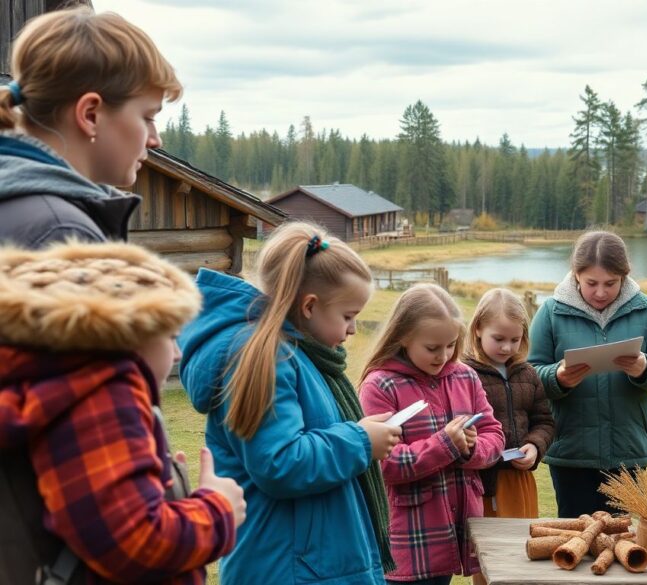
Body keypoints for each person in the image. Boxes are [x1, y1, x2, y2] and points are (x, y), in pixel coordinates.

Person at [0, 240, 243, 584]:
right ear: (127, 335)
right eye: (170, 336)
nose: (176, 354)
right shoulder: (101, 393)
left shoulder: (66, 388)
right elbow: (136, 541)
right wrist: (219, 510)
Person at [178, 222, 402, 585]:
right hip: (289, 568)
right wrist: (360, 440)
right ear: (310, 306)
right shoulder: (266, 360)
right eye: (348, 316)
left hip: (307, 565)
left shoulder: (299, 357)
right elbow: (279, 462)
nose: (352, 331)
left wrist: (360, 433)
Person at [527, 230, 647, 518]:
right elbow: (528, 377)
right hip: (571, 454)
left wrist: (645, 368)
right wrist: (557, 377)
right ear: (575, 275)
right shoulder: (550, 312)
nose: (601, 292)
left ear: (625, 275)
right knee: (575, 544)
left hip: (629, 455)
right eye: (591, 283)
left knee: (625, 546)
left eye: (610, 283)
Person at [359, 283, 505, 585]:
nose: (444, 356)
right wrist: (444, 445)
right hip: (409, 539)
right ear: (402, 337)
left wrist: (469, 449)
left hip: (457, 529)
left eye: (451, 345)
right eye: (432, 348)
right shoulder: (380, 386)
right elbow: (382, 464)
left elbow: (494, 435)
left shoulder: (465, 376)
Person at [0, 6, 179, 247]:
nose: (155, 140)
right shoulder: (62, 235)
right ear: (90, 115)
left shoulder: (21, 208)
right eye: (147, 117)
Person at [463, 288, 555, 520]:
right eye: (499, 339)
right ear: (478, 329)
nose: (507, 347)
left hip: (520, 480)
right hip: (482, 483)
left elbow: (544, 422)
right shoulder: (463, 374)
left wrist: (535, 447)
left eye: (515, 340)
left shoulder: (528, 374)